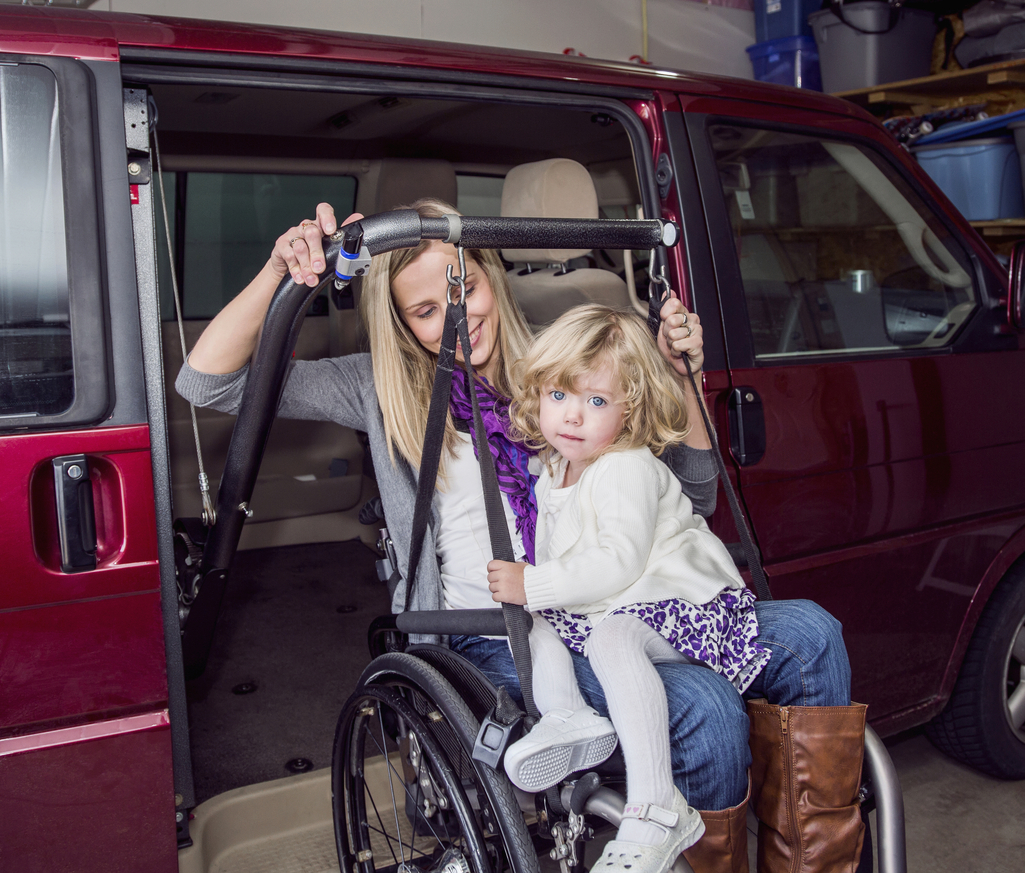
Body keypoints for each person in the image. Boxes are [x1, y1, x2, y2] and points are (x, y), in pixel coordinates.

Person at [176, 199, 862, 873]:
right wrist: (277, 272)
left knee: (812, 630)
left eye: (464, 287)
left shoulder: (563, 362)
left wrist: (679, 375)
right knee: (705, 707)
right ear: (400, 322)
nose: (456, 316)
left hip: (620, 595)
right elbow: (208, 385)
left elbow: (687, 496)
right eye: (424, 310)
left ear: (489, 277)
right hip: (493, 628)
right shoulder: (376, 385)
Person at [487, 304, 773, 873]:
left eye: (596, 401)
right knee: (535, 624)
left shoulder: (625, 467)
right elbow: (567, 556)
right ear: (537, 395)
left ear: (628, 410)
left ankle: (656, 805)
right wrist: (534, 587)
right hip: (618, 601)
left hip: (687, 603)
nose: (573, 416)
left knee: (612, 640)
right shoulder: (555, 468)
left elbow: (616, 562)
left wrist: (533, 582)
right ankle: (567, 716)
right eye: (559, 395)